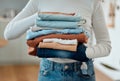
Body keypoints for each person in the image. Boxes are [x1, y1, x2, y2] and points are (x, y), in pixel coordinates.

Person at [4, 0, 112, 81]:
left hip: (83, 72)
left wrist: (85, 53)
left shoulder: (92, 2)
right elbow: (8, 33)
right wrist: (38, 17)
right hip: (49, 72)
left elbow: (106, 46)